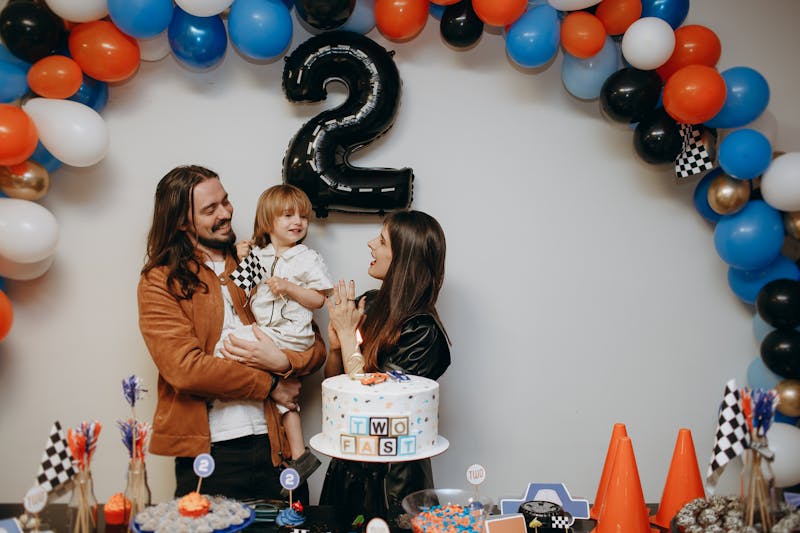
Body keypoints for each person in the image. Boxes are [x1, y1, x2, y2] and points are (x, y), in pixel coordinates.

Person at [137, 165, 326, 500]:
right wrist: (270, 385)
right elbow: (185, 369)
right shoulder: (161, 281)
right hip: (211, 454)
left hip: (277, 449)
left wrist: (281, 360)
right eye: (211, 209)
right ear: (182, 221)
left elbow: (312, 345)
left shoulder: (254, 263)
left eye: (225, 201)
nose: (226, 213)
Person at [319, 210, 451, 530]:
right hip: (349, 469)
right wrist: (338, 345)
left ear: (403, 259)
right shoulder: (371, 303)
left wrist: (350, 337)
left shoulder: (423, 331)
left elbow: (379, 401)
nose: (370, 244)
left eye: (380, 241)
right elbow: (338, 389)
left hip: (394, 482)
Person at [218, 184, 333, 486]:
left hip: (293, 336)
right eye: (288, 215)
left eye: (303, 217)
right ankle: (298, 455)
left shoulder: (307, 258)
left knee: (233, 344)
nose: (298, 222)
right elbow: (241, 291)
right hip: (271, 333)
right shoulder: (259, 255)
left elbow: (318, 299)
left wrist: (290, 288)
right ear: (268, 223)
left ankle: (296, 453)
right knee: (281, 391)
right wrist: (240, 258)